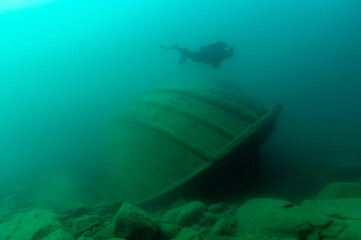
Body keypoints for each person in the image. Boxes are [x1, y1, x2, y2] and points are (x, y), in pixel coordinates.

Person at [160, 41, 234, 69]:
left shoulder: (222, 52)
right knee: (191, 56)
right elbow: (214, 58)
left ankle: (180, 49)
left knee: (191, 55)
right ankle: (177, 48)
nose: (228, 57)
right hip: (204, 55)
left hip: (204, 55)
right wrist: (216, 64)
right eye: (229, 55)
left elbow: (214, 59)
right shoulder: (221, 53)